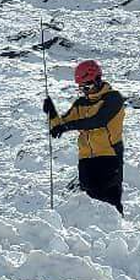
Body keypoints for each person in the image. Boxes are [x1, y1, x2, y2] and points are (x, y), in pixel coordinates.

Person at [44, 60, 126, 214]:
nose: (85, 91)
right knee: (89, 205)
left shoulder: (113, 99)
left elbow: (98, 120)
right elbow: (60, 124)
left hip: (109, 157)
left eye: (87, 87)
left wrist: (66, 127)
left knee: (110, 203)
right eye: (81, 88)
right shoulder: (81, 103)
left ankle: (117, 234)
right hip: (86, 161)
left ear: (98, 79)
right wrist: (52, 112)